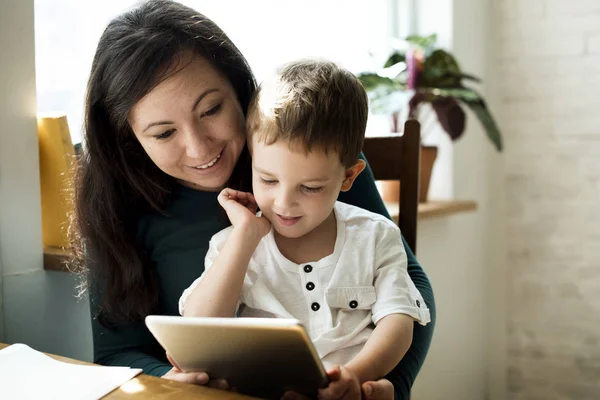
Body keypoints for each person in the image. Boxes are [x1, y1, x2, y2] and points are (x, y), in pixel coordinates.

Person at [71, 0, 436, 398]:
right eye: (163, 133)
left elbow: (407, 288)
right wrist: (167, 383)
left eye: (211, 109)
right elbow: (116, 351)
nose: (198, 148)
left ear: (239, 89)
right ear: (129, 137)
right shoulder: (119, 205)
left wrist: (381, 389)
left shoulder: (307, 152)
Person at [178, 59, 431, 400]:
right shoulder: (232, 244)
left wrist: (355, 376)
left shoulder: (374, 235)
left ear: (348, 177)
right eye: (268, 179)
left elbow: (399, 322)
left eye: (310, 187)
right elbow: (199, 329)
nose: (283, 203)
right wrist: (244, 239)